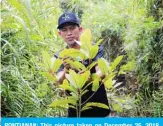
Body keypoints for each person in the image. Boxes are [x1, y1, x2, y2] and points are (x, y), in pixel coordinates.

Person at [55, 12, 110, 117]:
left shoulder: (93, 49)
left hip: (99, 111)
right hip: (75, 112)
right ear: (60, 34)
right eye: (64, 30)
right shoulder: (60, 56)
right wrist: (66, 70)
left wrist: (90, 78)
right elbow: (58, 81)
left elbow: (102, 71)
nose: (69, 33)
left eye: (72, 28)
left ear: (80, 29)